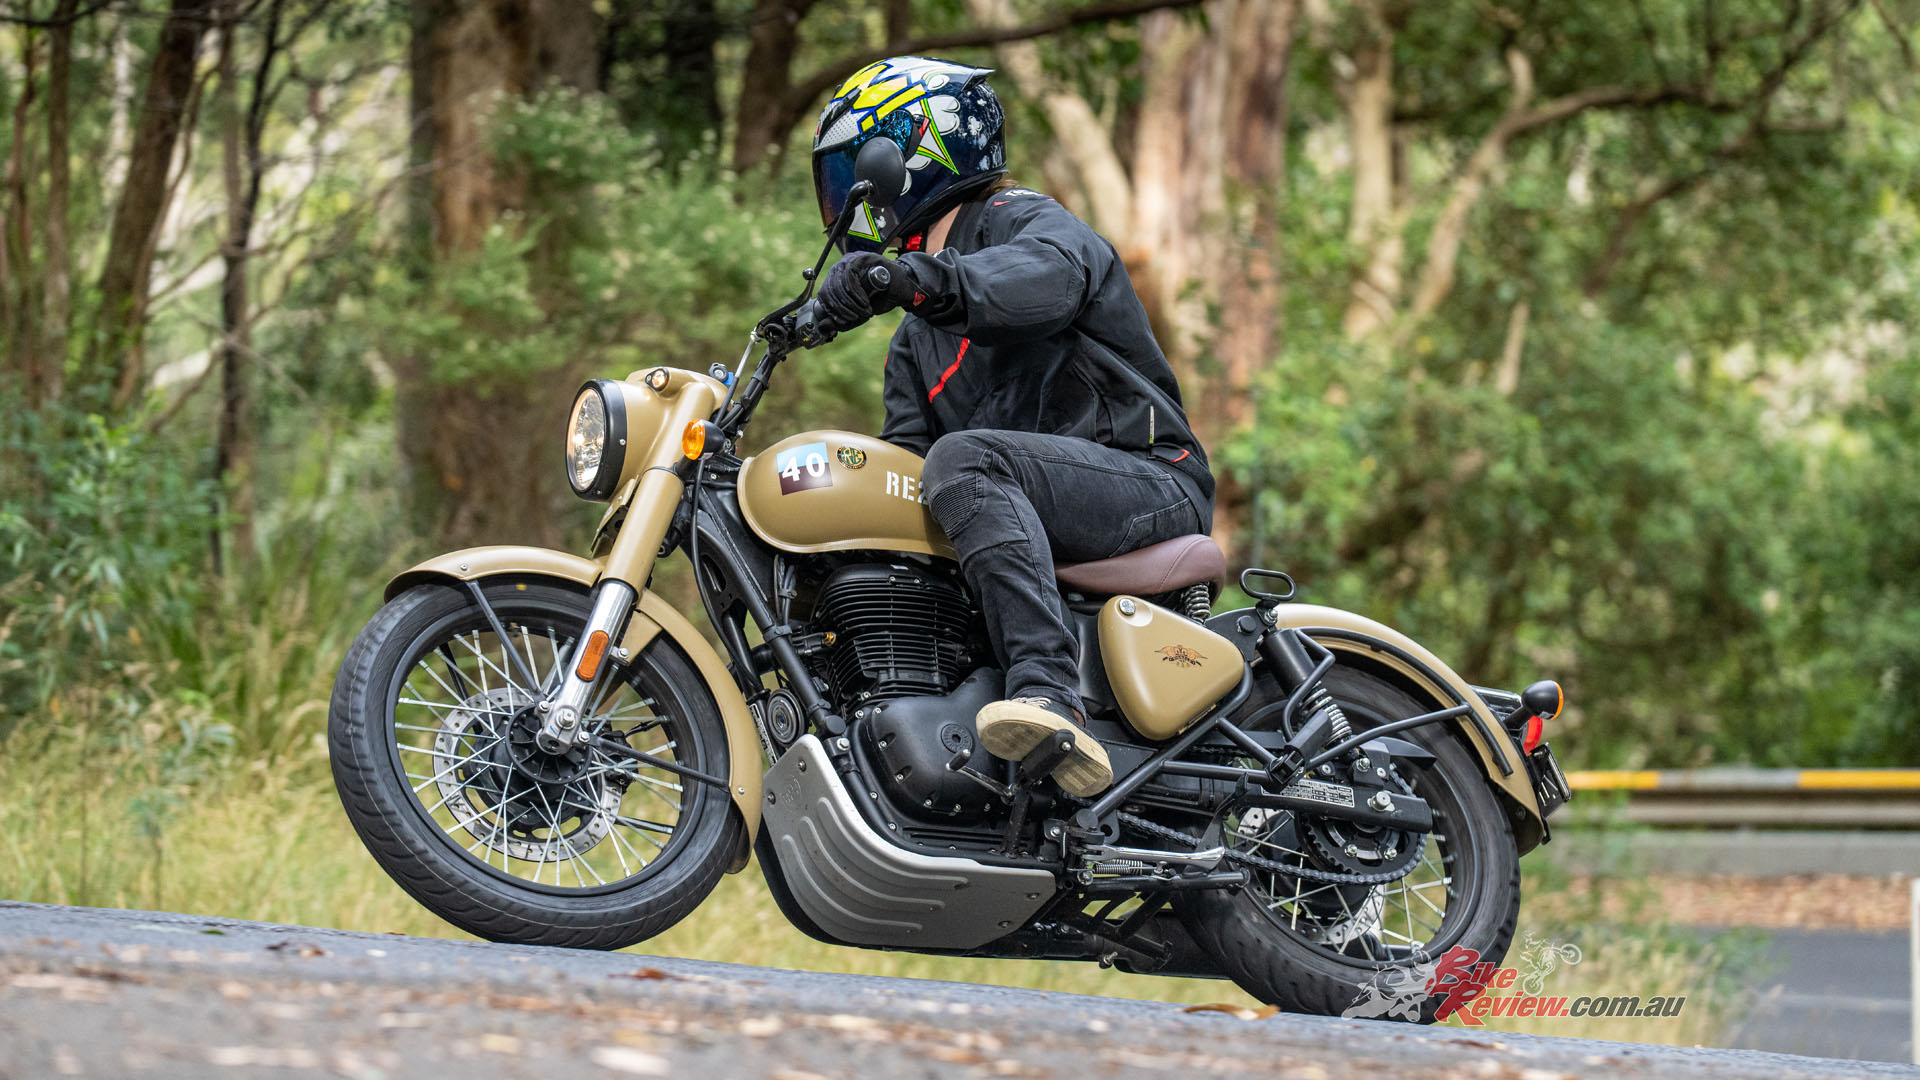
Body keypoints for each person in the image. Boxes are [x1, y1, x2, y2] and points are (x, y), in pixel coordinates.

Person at [807, 56, 1214, 798]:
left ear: (906, 159)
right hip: (1033, 505)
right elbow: (908, 464)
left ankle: (1050, 696)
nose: (844, 205)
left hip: (1148, 478)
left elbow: (1044, 283)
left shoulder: (1022, 220)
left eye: (852, 177)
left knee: (965, 460)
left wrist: (913, 281)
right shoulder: (913, 341)